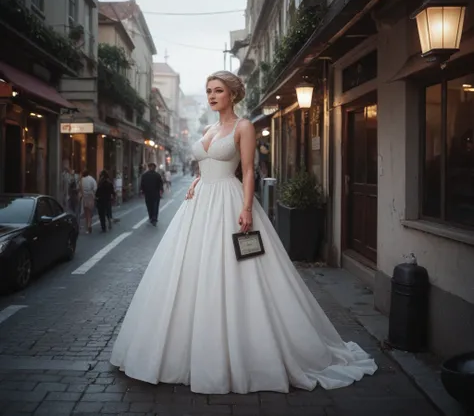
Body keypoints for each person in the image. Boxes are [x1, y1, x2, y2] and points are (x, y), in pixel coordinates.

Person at [110, 71, 377, 395]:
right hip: (199, 204)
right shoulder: (209, 129)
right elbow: (204, 165)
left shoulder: (244, 126)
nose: (211, 96)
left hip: (229, 200)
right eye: (208, 90)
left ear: (232, 94)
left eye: (218, 90)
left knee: (239, 269)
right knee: (189, 270)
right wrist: (197, 181)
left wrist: (247, 208)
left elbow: (248, 170)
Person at [79, 170, 97, 234]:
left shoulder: (82, 180)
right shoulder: (91, 179)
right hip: (90, 196)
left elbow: (80, 188)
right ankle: (89, 225)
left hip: (84, 197)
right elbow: (95, 188)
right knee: (90, 213)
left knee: (86, 213)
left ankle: (87, 227)